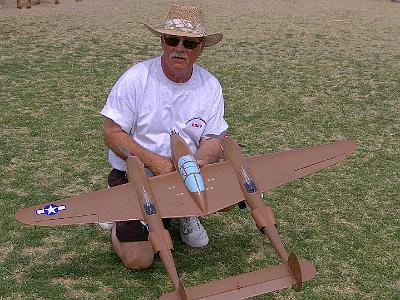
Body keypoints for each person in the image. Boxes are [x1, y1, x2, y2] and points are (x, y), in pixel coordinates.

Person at [99, 4, 228, 270]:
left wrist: (200, 161)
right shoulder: (136, 78)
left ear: (201, 47)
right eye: (172, 40)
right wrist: (153, 161)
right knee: (139, 260)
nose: (180, 48)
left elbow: (215, 138)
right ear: (162, 41)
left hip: (186, 173)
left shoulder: (210, 85)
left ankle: (184, 214)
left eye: (190, 42)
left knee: (229, 195)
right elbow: (112, 134)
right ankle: (116, 212)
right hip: (138, 174)